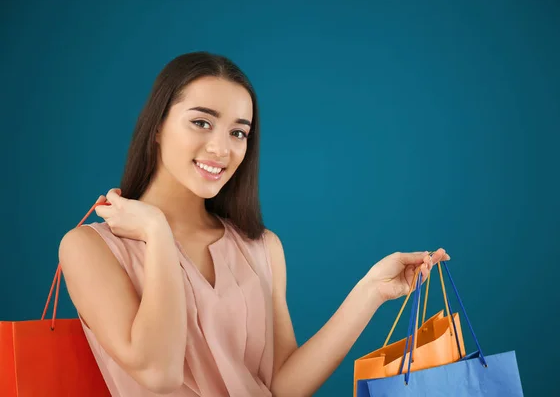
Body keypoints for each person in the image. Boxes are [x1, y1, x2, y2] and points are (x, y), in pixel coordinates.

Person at [58, 51, 450, 397]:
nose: (221, 148)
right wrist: (157, 232)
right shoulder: (89, 248)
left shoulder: (261, 247)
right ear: (158, 125)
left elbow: (283, 386)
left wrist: (370, 293)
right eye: (201, 122)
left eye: (238, 132)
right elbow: (158, 373)